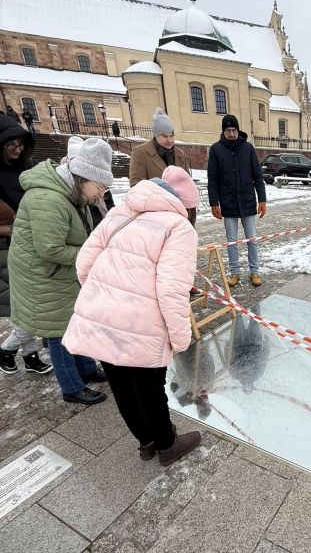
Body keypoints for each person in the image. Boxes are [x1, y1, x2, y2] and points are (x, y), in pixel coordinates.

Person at [63, 177, 201, 466]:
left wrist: (104, 298)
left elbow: (83, 263)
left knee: (121, 385)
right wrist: (180, 338)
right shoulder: (179, 228)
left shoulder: (118, 213)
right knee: (150, 387)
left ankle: (146, 441)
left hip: (103, 315)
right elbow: (171, 289)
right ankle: (167, 445)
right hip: (142, 321)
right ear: (182, 203)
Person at [7, 138, 114, 404]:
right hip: (43, 275)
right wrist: (91, 255)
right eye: (99, 186)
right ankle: (71, 387)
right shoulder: (48, 199)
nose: (101, 193)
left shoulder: (73, 193)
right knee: (60, 332)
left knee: (77, 321)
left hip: (61, 272)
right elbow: (50, 249)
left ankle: (87, 370)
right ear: (83, 177)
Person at [0, 114, 52, 375]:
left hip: (31, 240)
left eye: (21, 144)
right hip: (7, 248)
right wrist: (14, 227)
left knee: (29, 306)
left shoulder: (26, 165)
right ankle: (8, 349)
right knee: (28, 307)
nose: (17, 149)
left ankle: (29, 356)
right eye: (11, 145)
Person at [207, 114, 267, 287]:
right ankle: (235, 273)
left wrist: (262, 199)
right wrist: (214, 202)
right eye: (228, 130)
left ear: (238, 130)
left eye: (234, 130)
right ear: (223, 131)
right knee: (231, 241)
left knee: (251, 239)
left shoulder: (248, 148)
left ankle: (254, 271)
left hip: (248, 201)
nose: (231, 134)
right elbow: (213, 179)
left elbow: (257, 175)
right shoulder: (216, 150)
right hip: (228, 203)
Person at [129, 109, 193, 215]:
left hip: (180, 212)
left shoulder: (180, 155)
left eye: (171, 135)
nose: (169, 140)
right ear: (156, 136)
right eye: (165, 136)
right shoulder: (140, 153)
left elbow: (187, 183)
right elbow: (137, 186)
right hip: (155, 213)